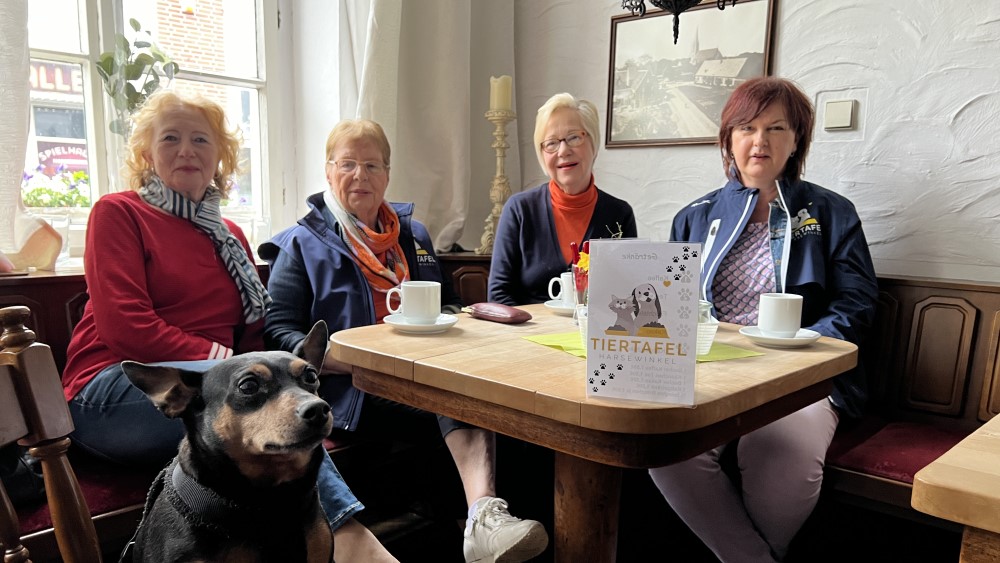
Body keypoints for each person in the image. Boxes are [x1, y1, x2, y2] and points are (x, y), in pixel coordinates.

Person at [61, 90, 396, 562]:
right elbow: (127, 328)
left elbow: (251, 338)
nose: (186, 150)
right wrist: (227, 366)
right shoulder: (119, 213)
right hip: (114, 386)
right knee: (250, 418)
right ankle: (351, 540)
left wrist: (257, 373)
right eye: (170, 138)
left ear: (220, 154)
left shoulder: (230, 235)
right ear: (146, 152)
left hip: (215, 385)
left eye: (201, 139)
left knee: (282, 416)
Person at [260, 118, 550, 563]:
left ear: (387, 174)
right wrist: (348, 360)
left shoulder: (413, 236)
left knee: (507, 406)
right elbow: (280, 334)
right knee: (455, 396)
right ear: (328, 171)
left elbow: (449, 303)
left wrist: (445, 325)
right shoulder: (300, 244)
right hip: (351, 387)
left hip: (421, 368)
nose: (360, 176)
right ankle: (482, 518)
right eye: (348, 164)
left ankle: (488, 528)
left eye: (372, 165)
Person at [650, 77, 878, 562]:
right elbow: (670, 304)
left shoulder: (832, 213)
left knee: (776, 448)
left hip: (802, 377)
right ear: (728, 139)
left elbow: (856, 304)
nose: (760, 141)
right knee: (666, 445)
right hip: (711, 369)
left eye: (776, 128)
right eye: (747, 128)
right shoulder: (694, 216)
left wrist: (798, 352)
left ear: (796, 140)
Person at [488, 92, 637, 305]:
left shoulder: (619, 214)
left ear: (593, 143)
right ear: (542, 153)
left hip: (596, 327)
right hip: (525, 326)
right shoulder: (519, 209)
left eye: (574, 137)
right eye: (551, 143)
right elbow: (498, 296)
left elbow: (626, 292)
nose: (563, 151)